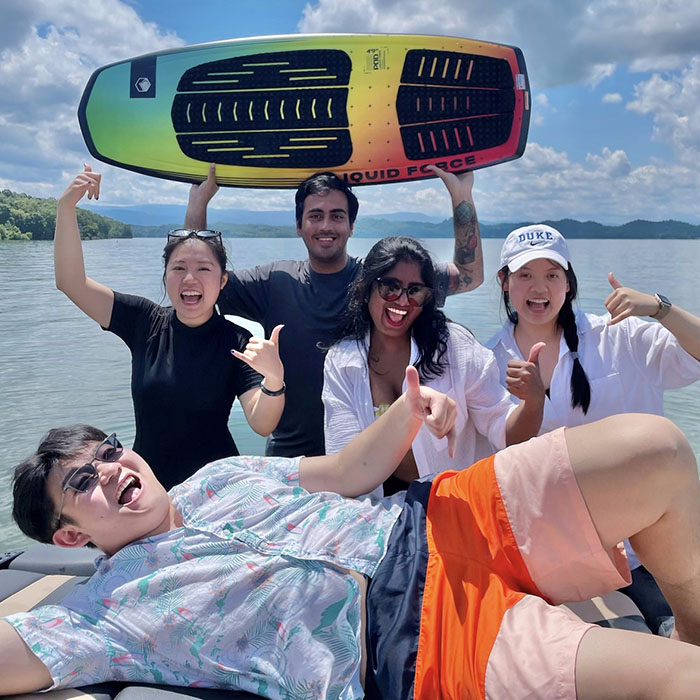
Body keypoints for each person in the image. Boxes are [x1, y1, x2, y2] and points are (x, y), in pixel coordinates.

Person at [5, 376, 700, 698]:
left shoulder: (219, 475)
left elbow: (348, 471)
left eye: (109, 451)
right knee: (680, 683)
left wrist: (407, 407)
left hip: (433, 519)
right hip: (413, 640)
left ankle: (692, 623)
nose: (110, 470)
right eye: (81, 483)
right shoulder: (102, 613)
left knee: (657, 449)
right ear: (69, 537)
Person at [185, 163, 485, 457]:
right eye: (315, 216)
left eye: (337, 216)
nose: (326, 225)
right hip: (292, 455)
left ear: (351, 226)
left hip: (371, 457)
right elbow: (200, 281)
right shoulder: (274, 282)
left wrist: (461, 196)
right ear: (299, 225)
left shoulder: (381, 282)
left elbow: (469, 275)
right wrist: (199, 202)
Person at [487, 223, 700, 634]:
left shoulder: (619, 335)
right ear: (504, 282)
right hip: (556, 557)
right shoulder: (487, 362)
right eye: (525, 275)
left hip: (647, 552)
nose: (539, 287)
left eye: (552, 275)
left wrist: (660, 308)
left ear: (569, 283)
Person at [54, 166, 286, 489]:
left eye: (203, 268)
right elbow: (71, 283)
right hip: (148, 492)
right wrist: (65, 209)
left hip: (216, 492)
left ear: (222, 281)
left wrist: (274, 379)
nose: (190, 278)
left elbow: (262, 423)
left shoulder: (236, 340)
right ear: (166, 277)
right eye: (179, 268)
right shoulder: (143, 321)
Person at [323, 235, 543, 496]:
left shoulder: (455, 348)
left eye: (415, 290)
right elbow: (343, 460)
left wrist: (534, 402)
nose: (402, 301)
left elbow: (505, 433)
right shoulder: (342, 362)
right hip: (374, 509)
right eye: (389, 287)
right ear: (365, 288)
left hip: (454, 502)